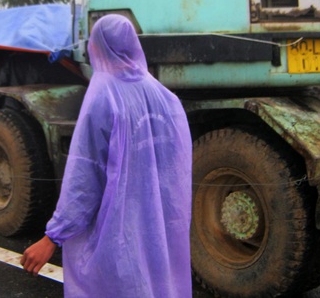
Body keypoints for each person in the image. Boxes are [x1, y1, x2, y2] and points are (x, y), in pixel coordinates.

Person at [21, 15, 193, 297]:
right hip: (160, 224)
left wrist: (53, 236)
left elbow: (85, 174)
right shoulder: (165, 96)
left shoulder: (103, 94)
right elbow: (178, 168)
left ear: (97, 47)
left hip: (120, 225)